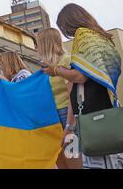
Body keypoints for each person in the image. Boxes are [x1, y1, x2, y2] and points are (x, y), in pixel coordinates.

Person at [42, 3, 122, 169]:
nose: (65, 32)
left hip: (87, 110)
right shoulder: (100, 37)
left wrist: (56, 70)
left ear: (69, 22)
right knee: (106, 155)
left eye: (63, 26)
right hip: (104, 103)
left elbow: (80, 77)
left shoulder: (83, 36)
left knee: (86, 157)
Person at [37, 28, 82, 169]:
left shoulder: (66, 61)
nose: (37, 48)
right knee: (61, 163)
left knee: (73, 162)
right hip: (52, 118)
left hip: (66, 115)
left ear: (46, 44)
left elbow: (72, 95)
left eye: (38, 43)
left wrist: (70, 126)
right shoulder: (47, 69)